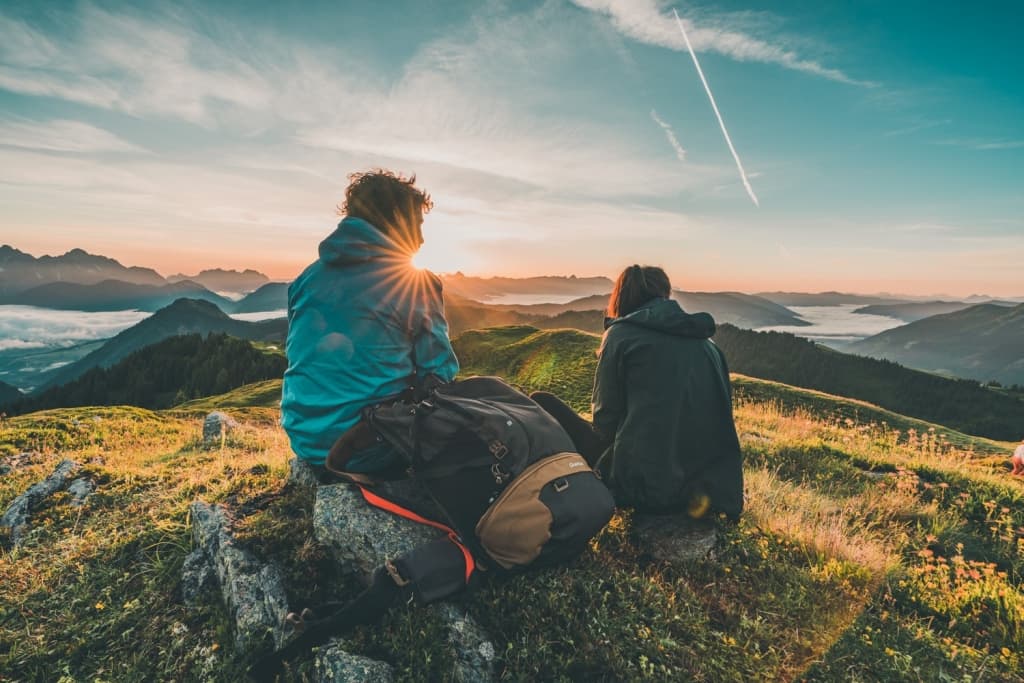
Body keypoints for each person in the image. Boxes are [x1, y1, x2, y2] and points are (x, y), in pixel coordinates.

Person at [531, 264, 743, 520]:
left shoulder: (620, 336)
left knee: (541, 402)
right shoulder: (708, 344)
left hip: (645, 487)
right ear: (666, 294)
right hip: (708, 490)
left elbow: (605, 422)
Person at [281, 169, 459, 473]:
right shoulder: (414, 282)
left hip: (306, 441)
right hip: (368, 448)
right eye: (417, 224)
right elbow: (439, 374)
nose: (421, 238)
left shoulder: (304, 280)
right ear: (396, 219)